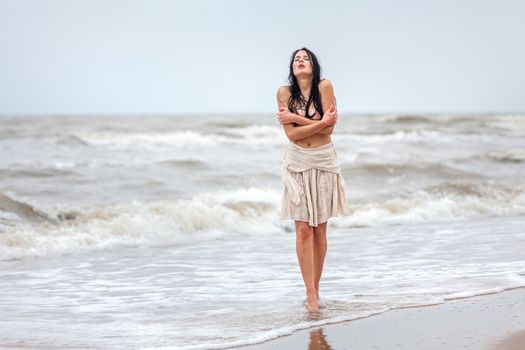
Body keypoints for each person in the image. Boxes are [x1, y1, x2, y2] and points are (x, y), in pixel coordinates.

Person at [276, 47, 347, 311]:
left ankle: (316, 289)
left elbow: (329, 129)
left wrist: (294, 118)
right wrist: (313, 123)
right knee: (304, 229)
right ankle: (310, 295)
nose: (301, 62)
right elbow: (292, 136)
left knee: (319, 230)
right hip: (296, 163)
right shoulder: (284, 93)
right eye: (296, 59)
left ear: (313, 65)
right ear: (292, 67)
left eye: (305, 58)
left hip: (323, 160)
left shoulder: (324, 87)